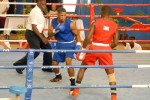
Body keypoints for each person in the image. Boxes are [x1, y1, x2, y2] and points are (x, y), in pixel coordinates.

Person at [71, 6, 119, 100]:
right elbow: (116, 42)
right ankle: (113, 96)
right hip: (106, 49)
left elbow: (88, 38)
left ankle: (76, 90)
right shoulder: (115, 25)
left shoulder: (95, 23)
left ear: (101, 12)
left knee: (83, 67)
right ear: (109, 14)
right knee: (110, 72)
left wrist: (83, 48)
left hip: (94, 48)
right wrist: (107, 48)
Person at [13, 0, 53, 74]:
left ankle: (46, 67)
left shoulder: (40, 11)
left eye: (45, 4)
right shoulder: (35, 12)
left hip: (38, 33)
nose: (44, 6)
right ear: (38, 3)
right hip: (32, 33)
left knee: (48, 48)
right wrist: (42, 38)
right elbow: (34, 27)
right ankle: (19, 65)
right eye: (43, 4)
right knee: (36, 51)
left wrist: (44, 36)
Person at [48, 7, 81, 94]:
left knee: (68, 63)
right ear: (57, 15)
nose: (63, 17)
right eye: (61, 15)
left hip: (70, 45)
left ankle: (73, 84)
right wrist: (56, 30)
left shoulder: (71, 24)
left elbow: (77, 34)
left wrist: (78, 44)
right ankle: (58, 76)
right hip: (59, 45)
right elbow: (49, 34)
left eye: (65, 15)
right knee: (54, 64)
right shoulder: (54, 22)